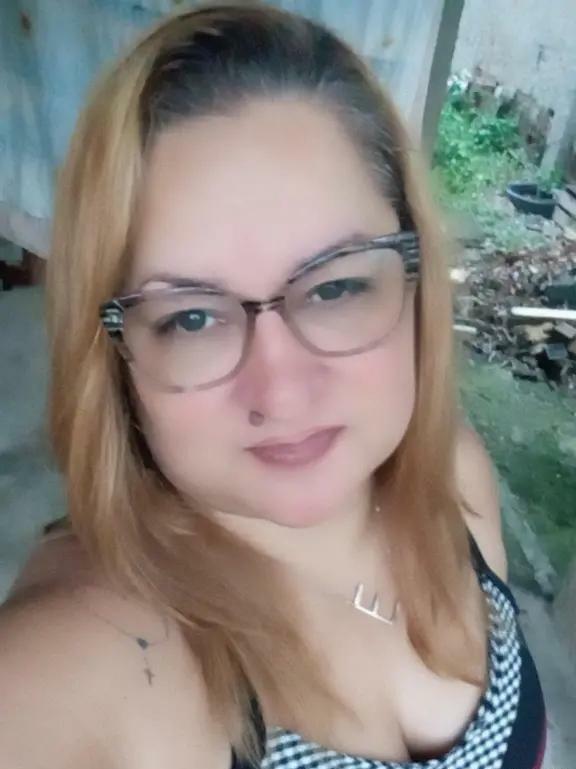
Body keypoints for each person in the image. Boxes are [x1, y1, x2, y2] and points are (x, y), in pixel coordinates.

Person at [0, 3, 546, 768]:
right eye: (191, 318)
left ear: (414, 279)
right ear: (114, 353)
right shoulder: (97, 654)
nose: (282, 394)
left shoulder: (457, 482)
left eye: (335, 287)